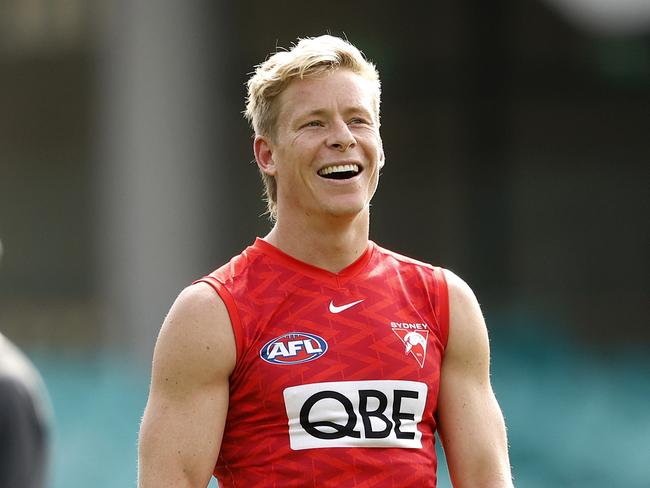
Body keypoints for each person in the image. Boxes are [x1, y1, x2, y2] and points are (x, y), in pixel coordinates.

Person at [138, 35, 513, 487]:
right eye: (314, 124)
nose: (342, 138)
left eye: (358, 120)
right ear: (267, 154)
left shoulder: (442, 301)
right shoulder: (212, 313)